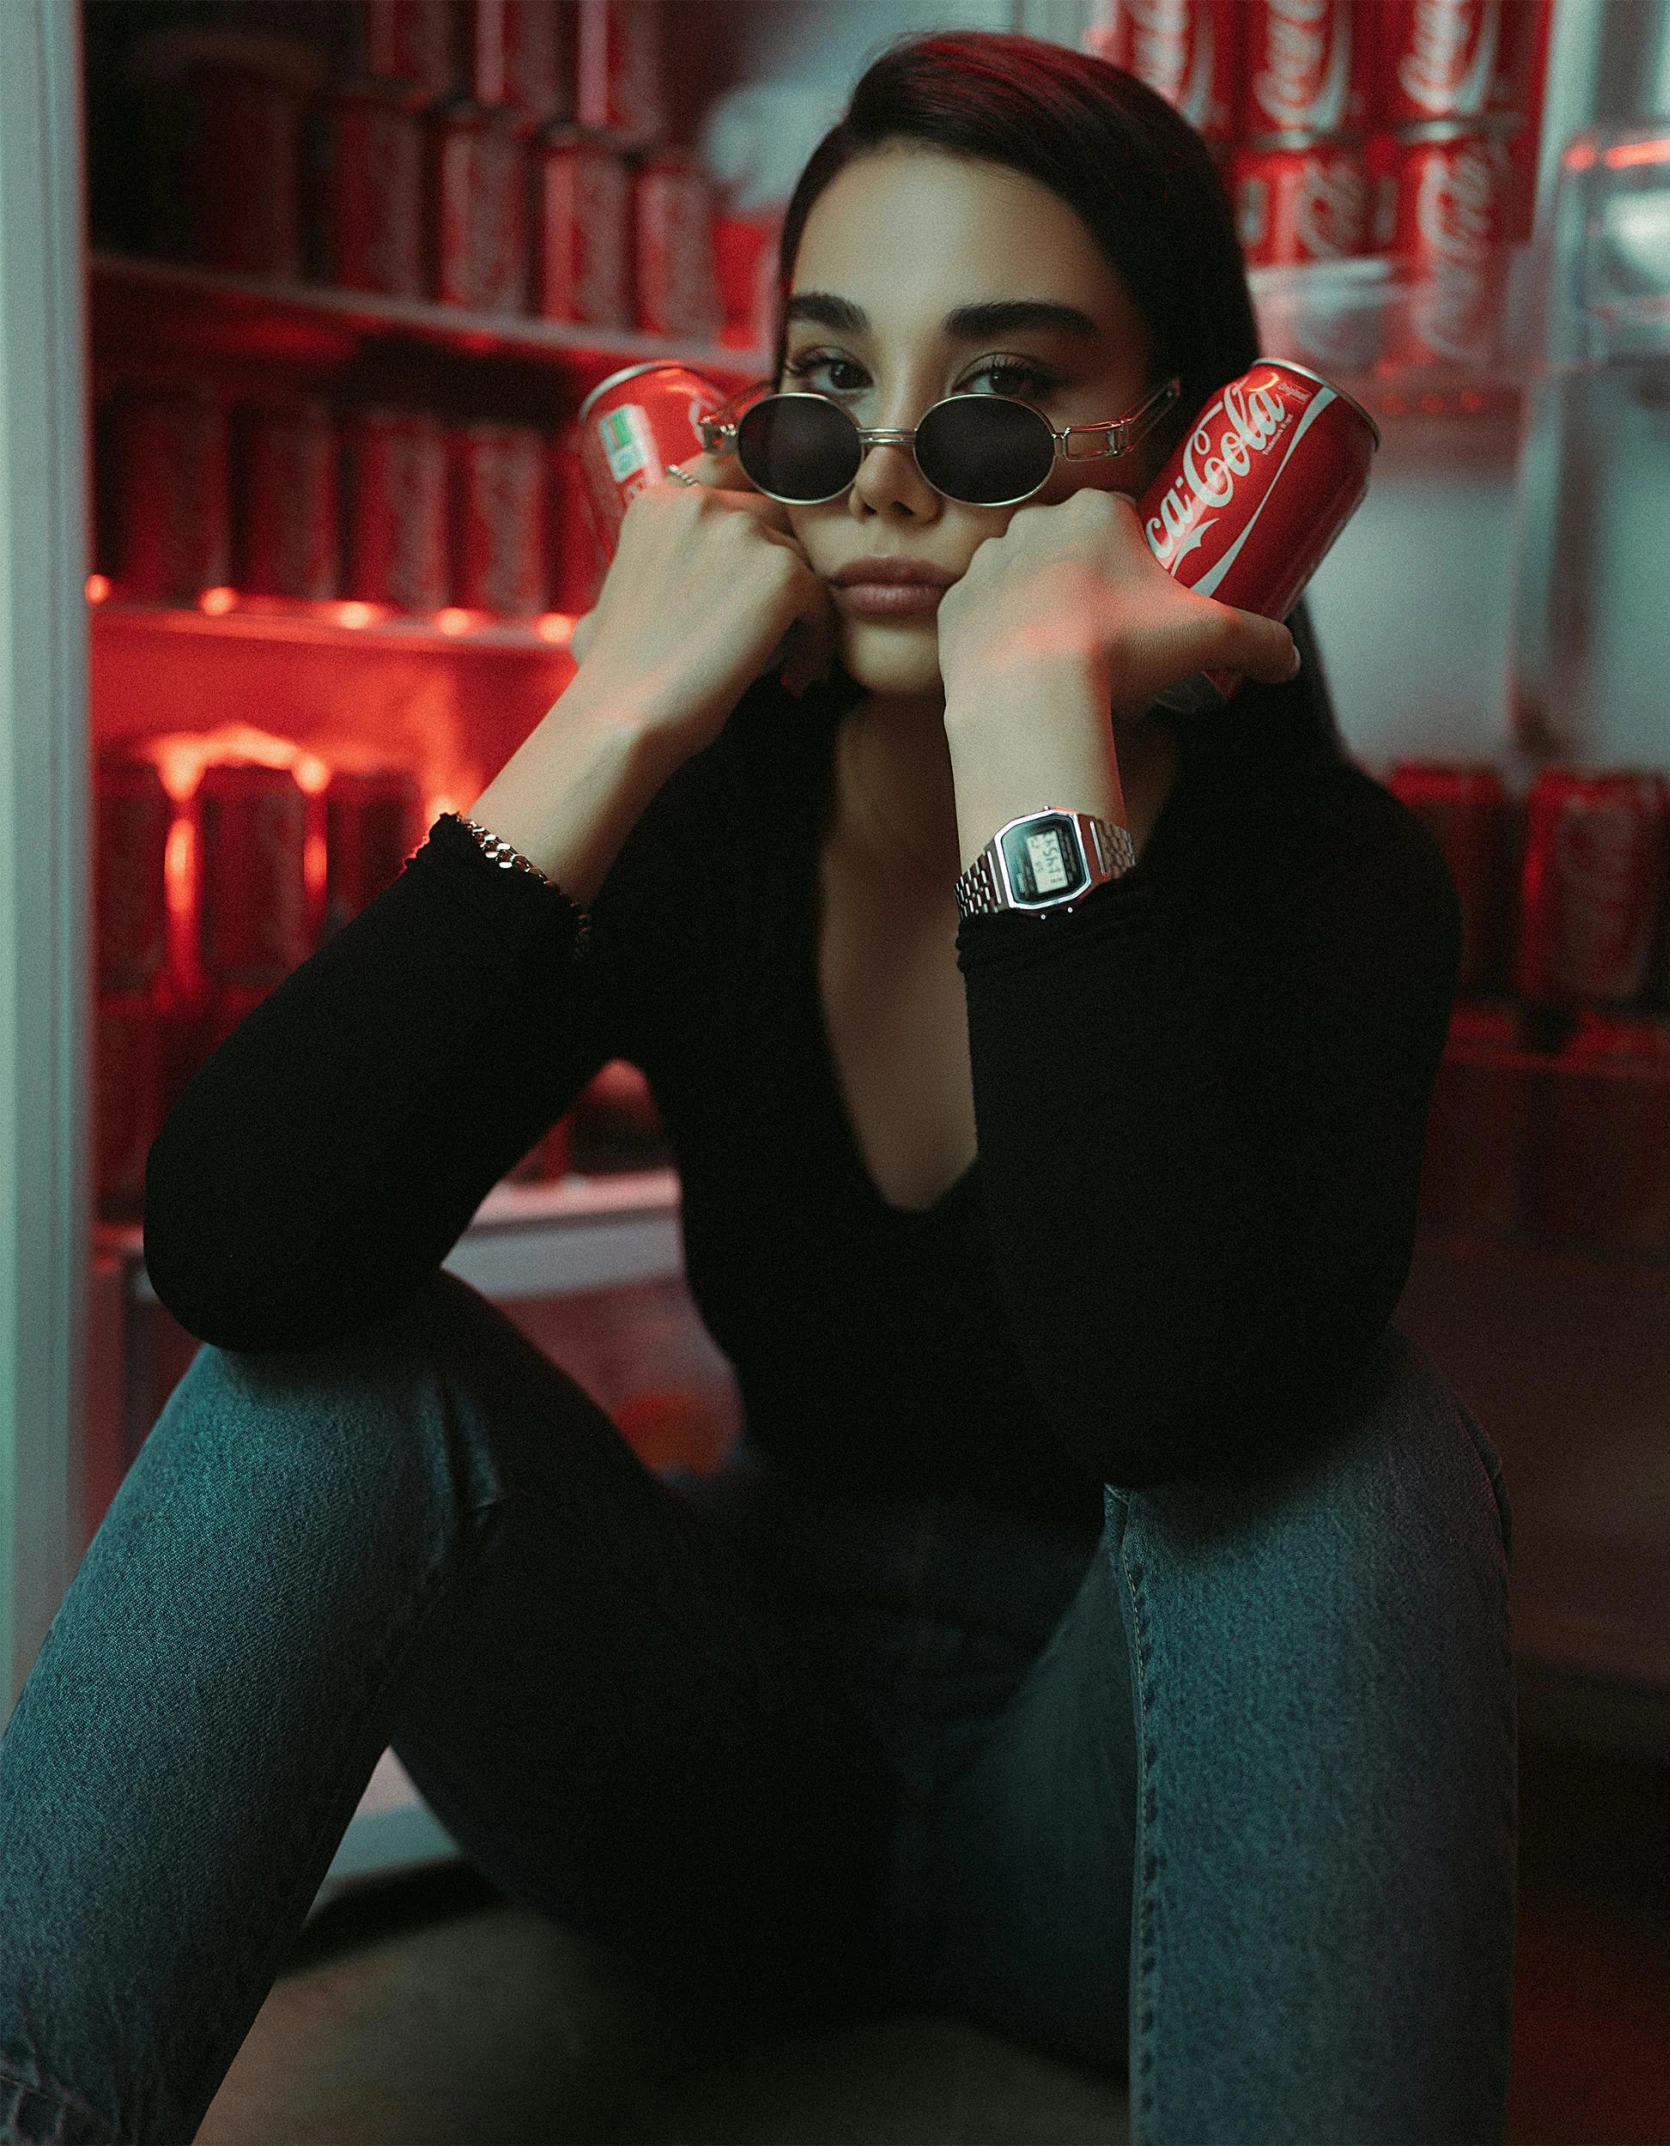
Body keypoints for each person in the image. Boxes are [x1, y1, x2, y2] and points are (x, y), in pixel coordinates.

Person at [0, 31, 1517, 2146]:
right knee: (332, 1369)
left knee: (1359, 1454)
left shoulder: (1330, 882)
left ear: (1183, 441)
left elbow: (1165, 1400)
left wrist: (1033, 733)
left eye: (995, 394)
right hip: (731, 1778)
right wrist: (614, 707)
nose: (886, 472)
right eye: (824, 380)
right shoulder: (715, 828)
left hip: (1122, 1822)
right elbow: (242, 1257)